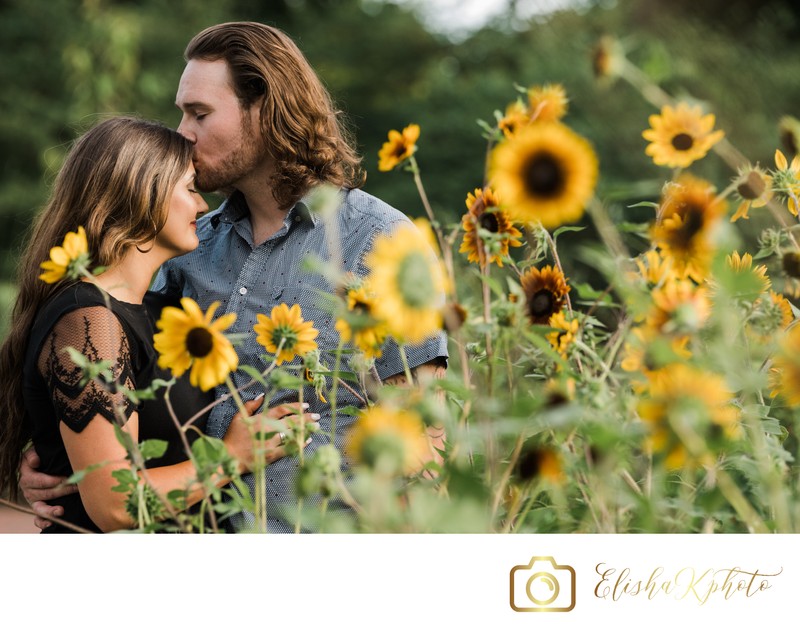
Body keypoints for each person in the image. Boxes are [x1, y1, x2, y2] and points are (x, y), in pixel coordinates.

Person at [19, 22, 448, 533]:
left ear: (264, 108)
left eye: (200, 113)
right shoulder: (183, 248)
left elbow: (427, 442)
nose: (183, 132)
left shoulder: (380, 242)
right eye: (183, 112)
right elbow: (116, 376)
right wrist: (58, 456)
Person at [0, 116, 308, 533]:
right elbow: (115, 505)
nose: (202, 206)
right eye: (190, 189)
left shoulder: (164, 311)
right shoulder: (89, 320)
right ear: (144, 192)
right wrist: (232, 457)